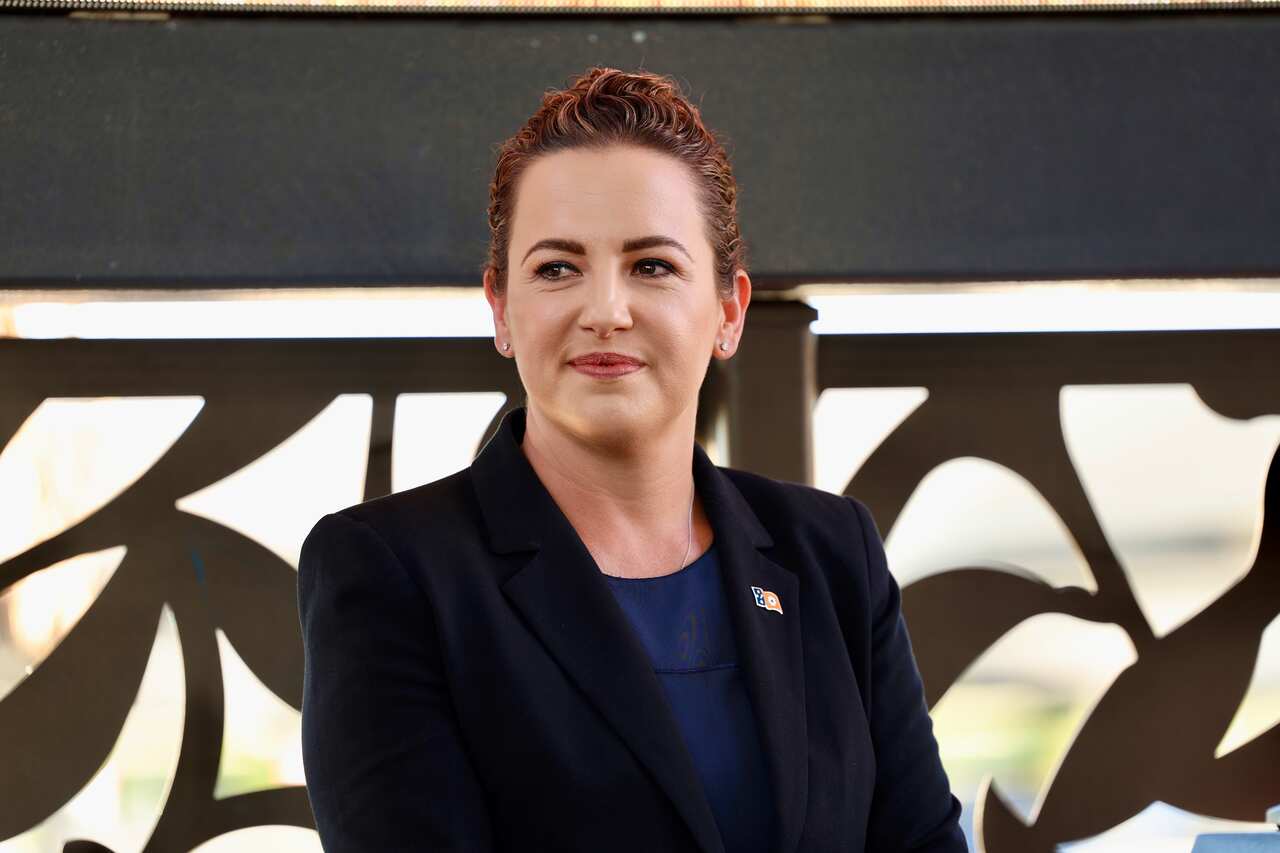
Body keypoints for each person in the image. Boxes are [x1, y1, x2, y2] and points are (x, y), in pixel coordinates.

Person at [297, 65, 965, 853]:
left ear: (728, 310)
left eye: (652, 265)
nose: (605, 310)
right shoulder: (390, 573)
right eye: (557, 268)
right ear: (501, 309)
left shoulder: (832, 554)